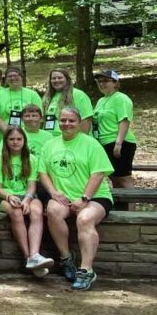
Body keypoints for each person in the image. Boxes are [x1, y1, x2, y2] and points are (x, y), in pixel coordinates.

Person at [37, 106, 115, 291]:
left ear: (79, 122)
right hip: (63, 196)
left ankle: (86, 270)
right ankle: (66, 258)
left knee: (85, 218)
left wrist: (85, 198)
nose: (66, 124)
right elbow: (42, 172)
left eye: (71, 120)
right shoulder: (50, 144)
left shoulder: (91, 144)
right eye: (63, 120)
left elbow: (97, 174)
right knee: (53, 210)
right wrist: (53, 192)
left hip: (95, 196)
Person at [0, 126, 52, 278]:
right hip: (5, 195)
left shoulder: (31, 158)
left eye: (19, 139)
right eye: (11, 139)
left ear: (24, 140)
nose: (15, 142)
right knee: (16, 212)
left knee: (37, 211)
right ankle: (28, 257)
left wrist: (27, 199)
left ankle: (34, 255)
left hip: (27, 195)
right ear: (6, 141)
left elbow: (32, 186)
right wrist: (9, 197)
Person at [92, 69, 136, 188]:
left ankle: (131, 206)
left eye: (106, 81)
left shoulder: (121, 98)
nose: (102, 84)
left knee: (123, 177)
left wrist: (119, 143)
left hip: (120, 143)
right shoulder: (101, 100)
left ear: (115, 82)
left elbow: (124, 120)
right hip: (104, 143)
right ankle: (121, 206)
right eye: (99, 81)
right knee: (113, 177)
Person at [0, 67, 42, 137]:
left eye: (16, 76)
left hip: (28, 136)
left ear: (22, 77)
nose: (12, 78)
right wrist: (9, 133)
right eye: (9, 76)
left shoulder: (33, 94)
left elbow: (38, 116)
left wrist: (22, 135)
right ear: (6, 79)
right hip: (3, 137)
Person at [41, 68, 93, 135]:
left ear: (67, 79)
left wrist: (81, 140)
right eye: (53, 78)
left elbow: (86, 119)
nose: (56, 80)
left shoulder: (78, 94)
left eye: (60, 78)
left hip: (71, 139)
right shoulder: (48, 97)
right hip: (51, 140)